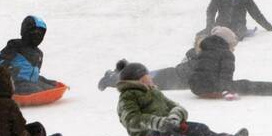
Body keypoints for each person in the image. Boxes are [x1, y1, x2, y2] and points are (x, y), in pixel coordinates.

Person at [115, 61, 249, 136]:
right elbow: (131, 119)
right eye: (145, 78)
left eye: (148, 76)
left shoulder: (154, 91)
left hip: (169, 125)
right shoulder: (127, 97)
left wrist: (174, 118)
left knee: (199, 128)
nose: (150, 79)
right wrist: (158, 122)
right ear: (137, 81)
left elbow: (175, 106)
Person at [96, 28, 233, 92]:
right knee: (140, 81)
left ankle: (119, 73)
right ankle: (112, 78)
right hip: (171, 76)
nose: (201, 49)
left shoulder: (205, 58)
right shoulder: (199, 58)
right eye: (198, 46)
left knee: (142, 77)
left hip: (172, 76)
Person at [189, 30, 272, 98]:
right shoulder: (226, 54)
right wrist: (226, 91)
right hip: (211, 88)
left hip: (196, 87)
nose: (234, 48)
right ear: (226, 42)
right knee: (246, 85)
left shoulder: (205, 50)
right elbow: (226, 77)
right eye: (233, 45)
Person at [0, 16, 60, 93]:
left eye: (41, 33)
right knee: (36, 90)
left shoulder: (39, 54)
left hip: (30, 83)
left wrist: (46, 81)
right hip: (14, 83)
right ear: (26, 31)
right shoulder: (15, 45)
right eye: (34, 32)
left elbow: (33, 76)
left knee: (51, 88)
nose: (38, 35)